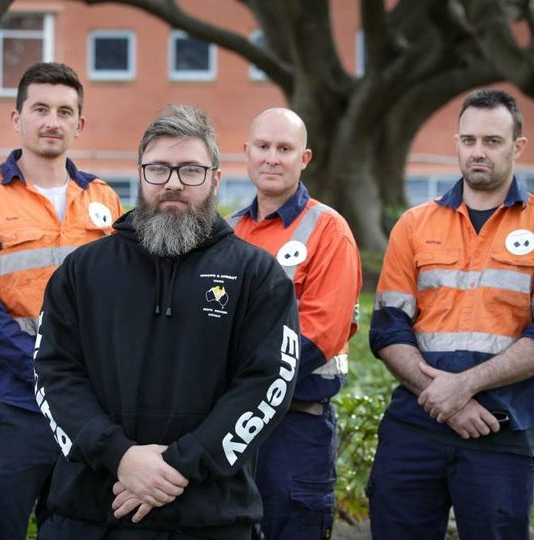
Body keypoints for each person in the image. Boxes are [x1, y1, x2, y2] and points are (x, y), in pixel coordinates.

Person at [32, 104, 301, 538]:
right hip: (91, 513)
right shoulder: (82, 272)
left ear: (215, 178)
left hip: (211, 516)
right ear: (139, 175)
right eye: (158, 169)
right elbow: (53, 374)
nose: (173, 183)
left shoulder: (258, 275)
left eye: (190, 170)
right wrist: (120, 456)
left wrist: (176, 466)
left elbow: (267, 383)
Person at [368, 89, 534, 540]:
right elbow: (387, 327)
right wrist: (446, 401)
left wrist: (464, 387)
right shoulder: (414, 224)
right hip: (414, 429)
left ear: (517, 146)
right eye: (468, 140)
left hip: (502, 429)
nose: (477, 152)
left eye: (492, 141)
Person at [0, 62, 123, 539]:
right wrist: (49, 369)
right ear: (17, 118)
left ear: (79, 124)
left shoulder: (104, 198)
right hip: (12, 404)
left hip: (91, 411)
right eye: (40, 108)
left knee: (78, 531)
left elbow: (127, 302)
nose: (52, 121)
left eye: (65, 111)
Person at [228, 108, 361, 539]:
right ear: (246, 153)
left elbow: (320, 336)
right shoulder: (226, 233)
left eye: (284, 149)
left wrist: (239, 380)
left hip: (296, 427)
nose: (272, 158)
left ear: (304, 158)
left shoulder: (328, 231)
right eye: (263, 147)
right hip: (230, 426)